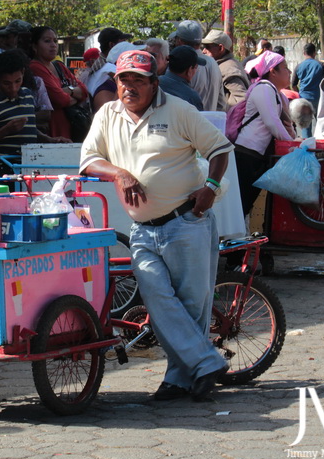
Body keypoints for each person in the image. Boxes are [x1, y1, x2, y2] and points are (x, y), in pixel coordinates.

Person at [80, 50, 232, 402]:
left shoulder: (179, 110)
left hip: (186, 222)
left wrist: (210, 188)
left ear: (154, 83)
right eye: (123, 79)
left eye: (138, 80)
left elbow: (220, 149)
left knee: (191, 304)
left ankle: (179, 378)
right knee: (157, 297)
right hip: (142, 229)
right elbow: (89, 160)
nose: (129, 86)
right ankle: (206, 361)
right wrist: (119, 173)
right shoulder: (107, 114)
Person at [0, 50, 69, 180]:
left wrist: (50, 140)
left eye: (18, 81)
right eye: (7, 83)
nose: (13, 88)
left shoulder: (28, 95)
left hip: (29, 168)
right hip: (1, 171)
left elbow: (28, 129)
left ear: (23, 73)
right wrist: (6, 130)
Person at [235, 51, 295, 220]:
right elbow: (272, 123)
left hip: (257, 155)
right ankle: (233, 243)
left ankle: (241, 241)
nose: (289, 72)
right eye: (285, 68)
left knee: (247, 205)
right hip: (247, 154)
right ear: (272, 71)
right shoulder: (264, 89)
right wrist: (292, 146)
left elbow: (284, 125)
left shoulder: (277, 93)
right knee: (242, 204)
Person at [29, 26, 88, 140]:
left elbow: (84, 91)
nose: (53, 45)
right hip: (53, 131)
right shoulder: (35, 67)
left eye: (55, 41)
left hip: (73, 127)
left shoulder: (59, 66)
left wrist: (68, 91)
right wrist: (72, 94)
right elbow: (60, 100)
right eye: (47, 41)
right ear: (35, 46)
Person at [173, 20, 225, 111]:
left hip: (188, 123)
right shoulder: (213, 63)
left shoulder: (181, 64)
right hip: (209, 123)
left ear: (179, 41)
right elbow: (221, 103)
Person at [201, 30, 249, 108]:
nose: (203, 51)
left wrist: (224, 114)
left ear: (221, 48)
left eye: (207, 47)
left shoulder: (228, 69)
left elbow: (242, 101)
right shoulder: (225, 64)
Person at [291, 43, 324, 137]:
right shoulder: (320, 65)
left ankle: (308, 146)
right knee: (322, 124)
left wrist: (299, 94)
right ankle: (322, 145)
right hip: (318, 98)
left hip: (304, 98)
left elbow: (293, 84)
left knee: (306, 126)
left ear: (304, 53)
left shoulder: (299, 66)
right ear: (315, 53)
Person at [158, 45, 205, 111]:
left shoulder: (153, 84)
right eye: (195, 67)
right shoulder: (191, 98)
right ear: (189, 70)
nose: (196, 71)